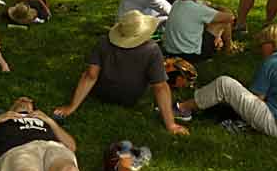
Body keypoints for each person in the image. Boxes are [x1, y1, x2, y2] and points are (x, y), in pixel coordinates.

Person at [53, 10, 189, 135]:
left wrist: (71, 107)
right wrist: (171, 124)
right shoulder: (151, 50)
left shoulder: (103, 42)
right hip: (130, 98)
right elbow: (160, 87)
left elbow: (90, 75)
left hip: (101, 93)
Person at [175, 24, 277, 137]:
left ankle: (182, 109)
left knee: (224, 84)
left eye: (262, 44)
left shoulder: (273, 61)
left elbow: (257, 98)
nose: (261, 50)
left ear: (272, 44)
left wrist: (230, 99)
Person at [162, 0, 234, 62]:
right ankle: (228, 49)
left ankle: (221, 44)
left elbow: (203, 4)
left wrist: (211, 6)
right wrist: (221, 8)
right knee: (222, 20)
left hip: (171, 52)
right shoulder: (198, 10)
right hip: (191, 56)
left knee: (212, 19)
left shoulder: (176, 3)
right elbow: (230, 17)